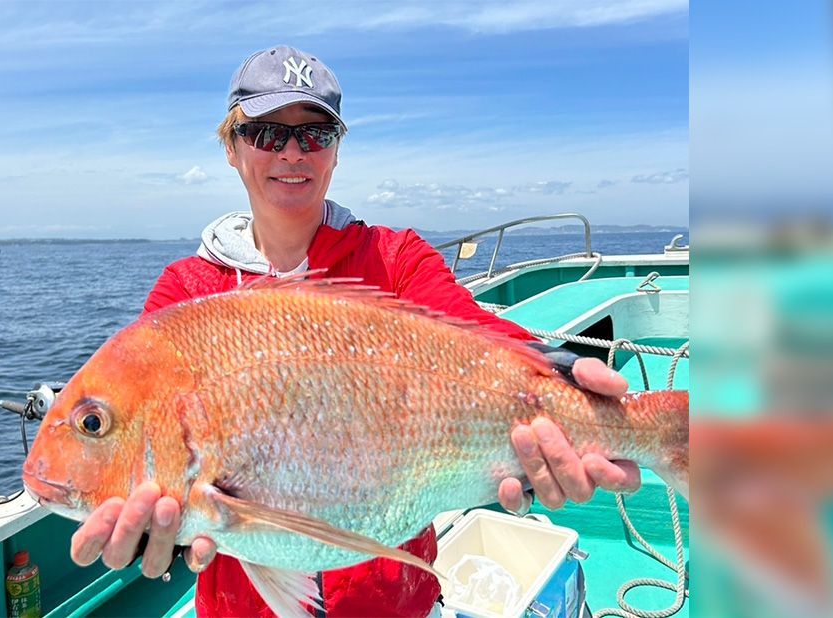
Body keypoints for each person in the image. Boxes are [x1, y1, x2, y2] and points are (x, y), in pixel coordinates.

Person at [70, 45, 640, 617]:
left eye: (315, 133)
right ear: (231, 146)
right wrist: (150, 535)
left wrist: (563, 372)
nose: (292, 151)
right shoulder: (186, 295)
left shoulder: (397, 260)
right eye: (266, 133)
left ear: (336, 150)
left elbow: (476, 334)